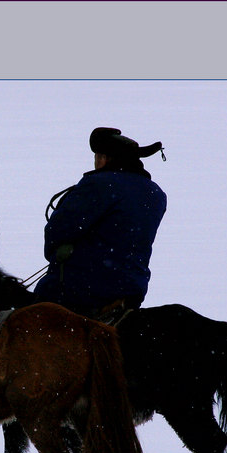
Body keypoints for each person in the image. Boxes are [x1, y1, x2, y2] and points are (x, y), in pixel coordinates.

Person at [34, 127, 167, 321]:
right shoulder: (155, 193)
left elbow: (58, 231)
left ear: (104, 158)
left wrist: (58, 253)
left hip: (83, 288)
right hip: (132, 288)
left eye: (97, 157)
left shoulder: (99, 184)